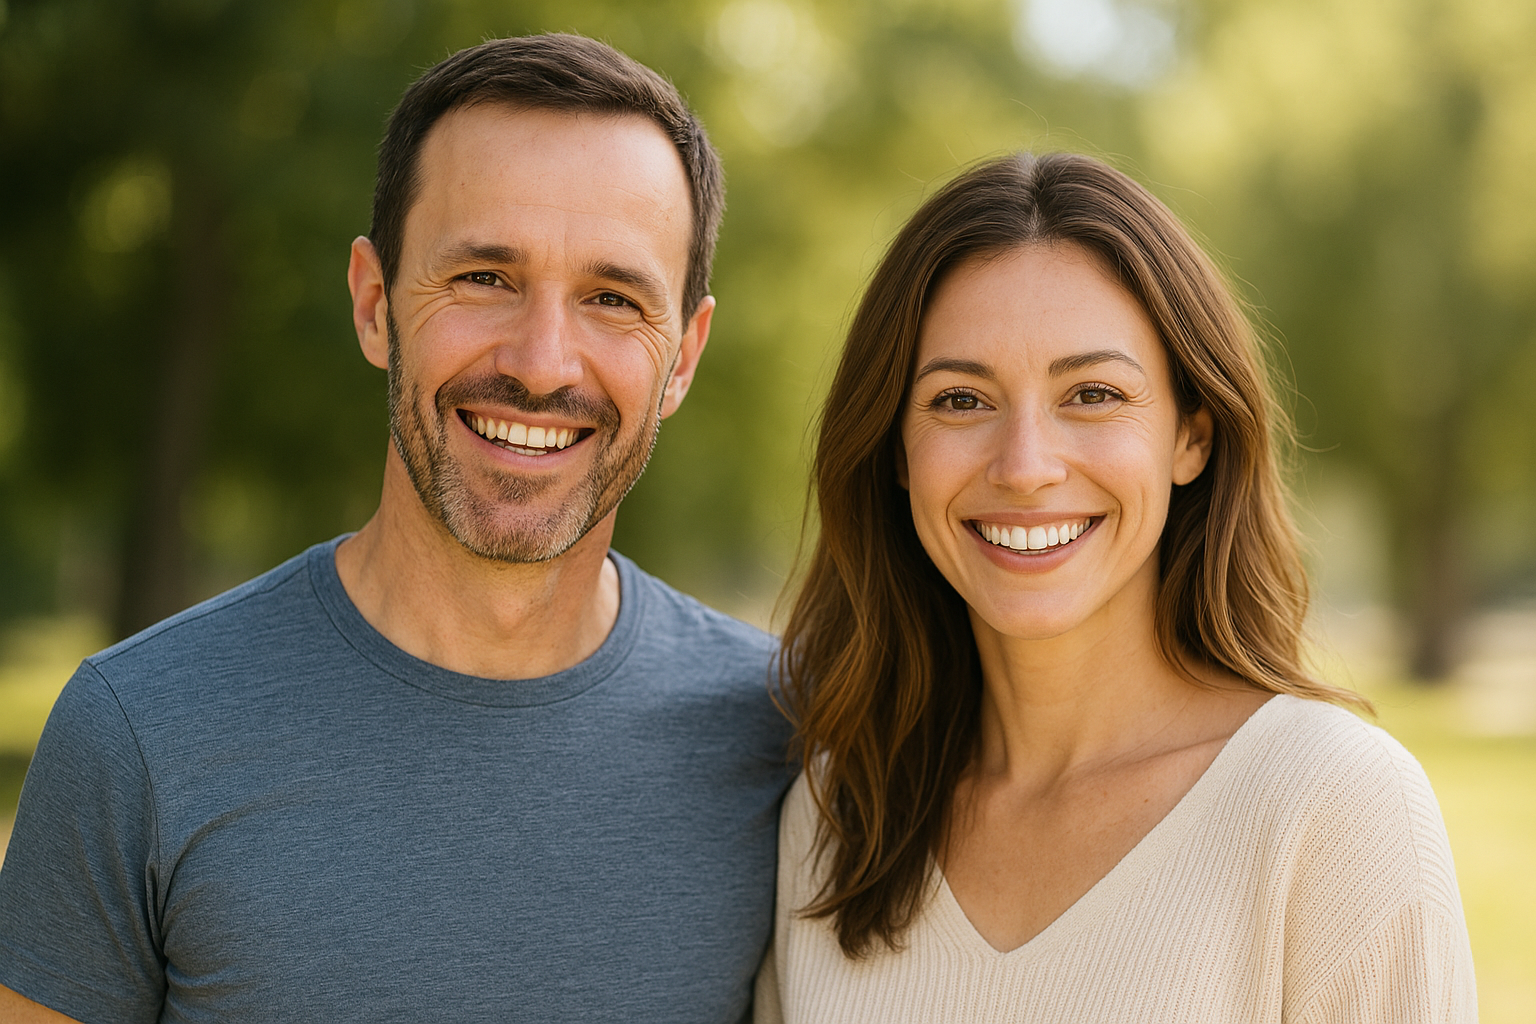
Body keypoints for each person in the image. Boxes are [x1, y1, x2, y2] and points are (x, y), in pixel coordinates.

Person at [0, 34, 792, 1024]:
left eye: (612, 298)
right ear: (376, 305)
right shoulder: (137, 734)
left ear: (682, 358)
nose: (544, 363)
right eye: (484, 278)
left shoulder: (791, 742)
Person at [755, 152, 1476, 1022]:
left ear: (1192, 438)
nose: (1024, 467)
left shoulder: (1334, 809)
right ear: (896, 454)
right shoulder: (837, 815)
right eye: (959, 401)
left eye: (1092, 394)